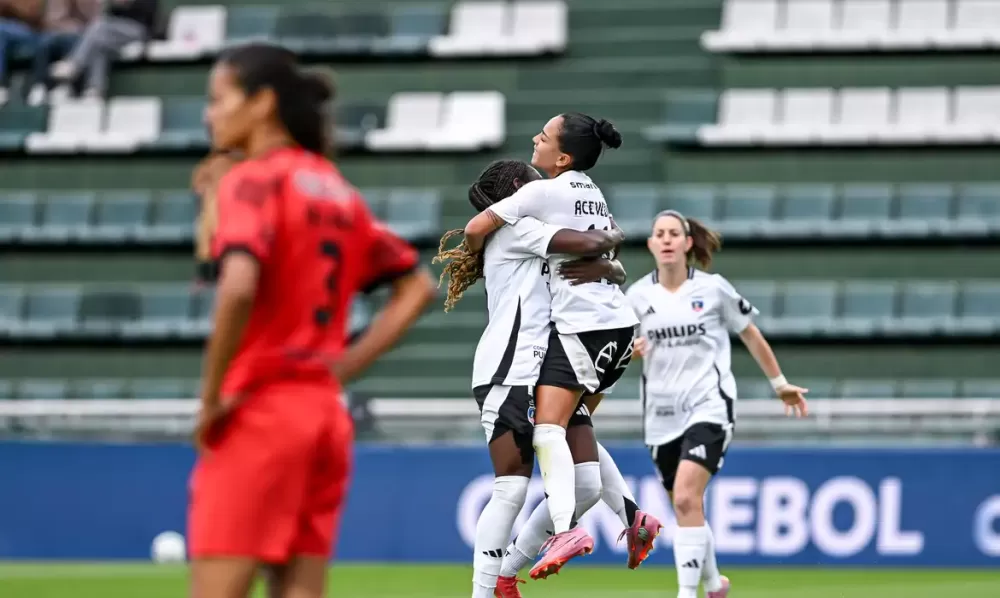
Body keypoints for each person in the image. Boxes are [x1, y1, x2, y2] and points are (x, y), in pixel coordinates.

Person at [189, 42, 436, 598]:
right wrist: (340, 368)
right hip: (324, 413)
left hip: (260, 410)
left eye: (218, 98)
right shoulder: (338, 192)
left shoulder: (251, 181)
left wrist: (210, 401)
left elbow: (237, 288)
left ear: (262, 104)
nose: (210, 113)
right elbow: (417, 287)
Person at [436, 158, 647, 598]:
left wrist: (610, 267)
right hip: (510, 369)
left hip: (546, 366)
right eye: (535, 182)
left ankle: (626, 517)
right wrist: (611, 246)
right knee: (510, 488)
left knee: (583, 479)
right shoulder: (519, 230)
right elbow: (590, 243)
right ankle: (486, 591)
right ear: (517, 188)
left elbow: (600, 262)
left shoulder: (525, 228)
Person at [626, 210, 809, 598]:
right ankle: (714, 584)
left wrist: (780, 384)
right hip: (660, 415)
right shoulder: (637, 296)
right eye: (659, 233)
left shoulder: (712, 289)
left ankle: (687, 594)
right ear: (651, 244)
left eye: (674, 233)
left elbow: (751, 334)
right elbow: (616, 351)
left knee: (689, 496)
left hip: (709, 405)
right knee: (686, 507)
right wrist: (631, 351)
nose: (667, 239)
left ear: (688, 242)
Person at [50, 0, 160, 98]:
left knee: (98, 27)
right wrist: (115, 5)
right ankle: (95, 90)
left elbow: (149, 14)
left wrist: (129, 3)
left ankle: (75, 64)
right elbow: (111, 15)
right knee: (100, 44)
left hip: (139, 30)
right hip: (116, 31)